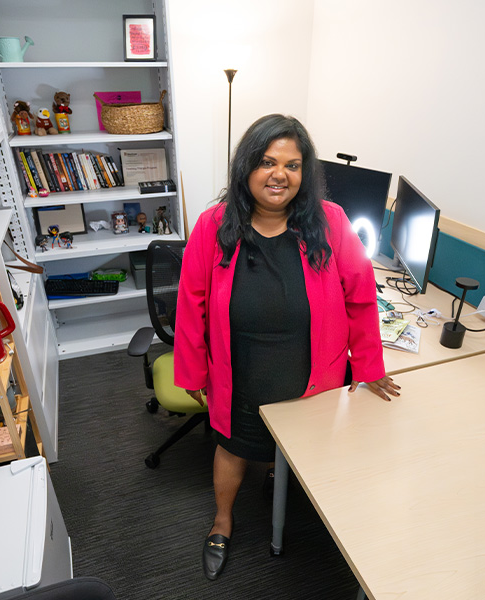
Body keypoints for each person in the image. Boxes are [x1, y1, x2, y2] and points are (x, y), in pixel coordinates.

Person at [174, 114, 401, 581]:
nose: (279, 174)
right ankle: (222, 521)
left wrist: (369, 366)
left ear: (305, 172)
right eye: (267, 162)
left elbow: (360, 296)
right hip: (241, 376)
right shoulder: (213, 226)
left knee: (299, 448)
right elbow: (190, 303)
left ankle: (280, 475)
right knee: (233, 449)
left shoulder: (331, 222)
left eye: (292, 165)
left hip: (311, 377)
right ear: (245, 168)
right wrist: (193, 372)